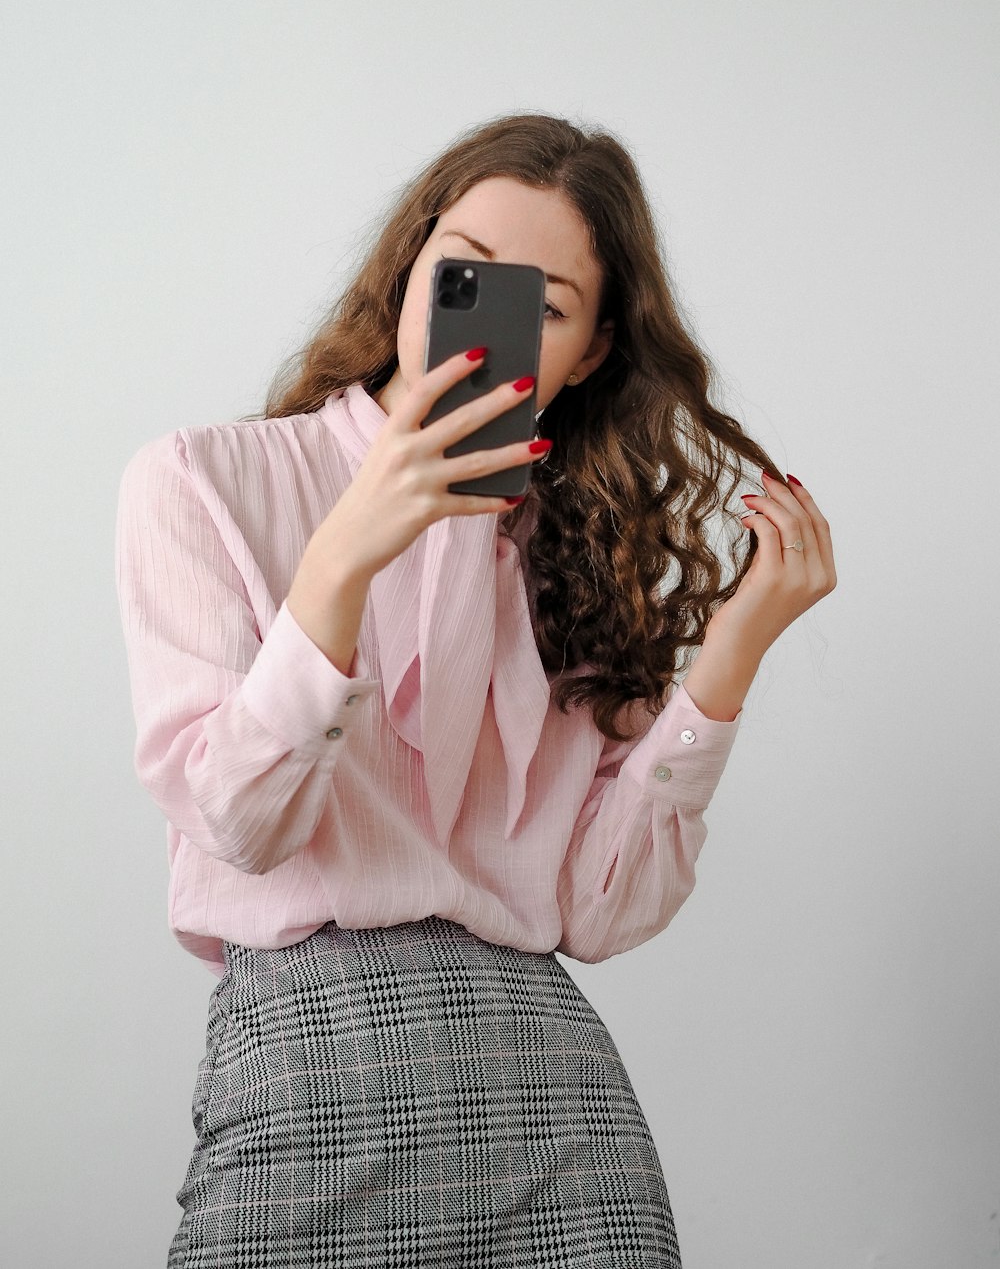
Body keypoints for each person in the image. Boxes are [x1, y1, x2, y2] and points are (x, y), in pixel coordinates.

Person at [114, 112, 836, 1268]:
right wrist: (344, 556)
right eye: (463, 274)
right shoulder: (205, 482)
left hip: (554, 1095)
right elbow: (237, 824)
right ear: (409, 268)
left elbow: (601, 912)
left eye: (543, 306)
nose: (484, 321)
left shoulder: (581, 557)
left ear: (589, 353)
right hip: (310, 1065)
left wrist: (730, 656)